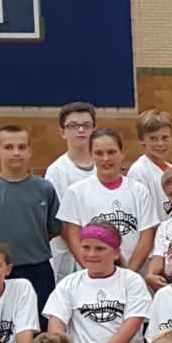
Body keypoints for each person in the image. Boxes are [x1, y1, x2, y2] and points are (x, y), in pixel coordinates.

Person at [0, 125, 62, 312]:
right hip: (2, 271)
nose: (16, 153)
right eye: (8, 147)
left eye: (21, 147)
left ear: (29, 152)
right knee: (5, 322)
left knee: (42, 322)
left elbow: (54, 229)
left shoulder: (45, 188)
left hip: (39, 269)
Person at [45, 225, 151, 343]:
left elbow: (133, 323)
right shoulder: (69, 283)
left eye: (100, 249)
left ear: (116, 253)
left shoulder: (131, 281)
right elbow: (56, 324)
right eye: (86, 247)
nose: (91, 254)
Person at [57, 128, 160, 275]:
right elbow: (73, 240)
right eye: (99, 153)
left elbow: (147, 237)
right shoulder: (76, 192)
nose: (106, 159)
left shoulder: (139, 191)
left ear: (121, 153)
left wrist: (128, 275)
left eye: (111, 152)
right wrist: (95, 271)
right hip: (93, 277)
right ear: (91, 155)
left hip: (134, 277)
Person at [44, 102, 98, 279]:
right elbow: (60, 222)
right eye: (73, 126)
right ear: (62, 132)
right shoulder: (57, 171)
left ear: (94, 129)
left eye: (86, 125)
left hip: (102, 250)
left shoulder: (103, 166)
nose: (81, 130)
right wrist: (83, 257)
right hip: (70, 256)